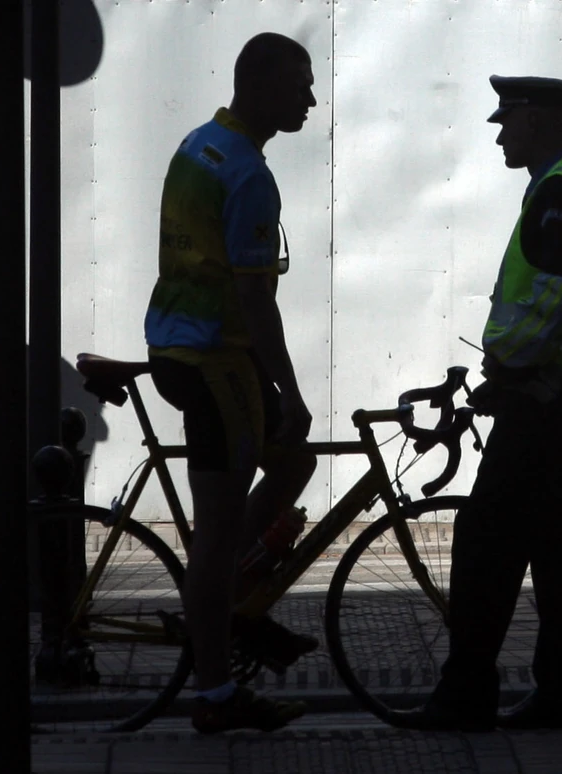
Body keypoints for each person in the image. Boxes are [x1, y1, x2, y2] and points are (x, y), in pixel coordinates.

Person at [399, 75, 562, 732]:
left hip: (547, 396)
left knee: (484, 540)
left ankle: (466, 694)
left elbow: (561, 294)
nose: (500, 132)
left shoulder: (560, 191)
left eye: (508, 120)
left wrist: (510, 361)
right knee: (558, 547)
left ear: (537, 122)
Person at [143, 32, 319, 734]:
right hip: (215, 361)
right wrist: (292, 392)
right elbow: (256, 302)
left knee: (294, 461)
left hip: (178, 345)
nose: (311, 98)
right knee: (214, 539)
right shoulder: (248, 174)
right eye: (300, 84)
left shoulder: (199, 144)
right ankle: (215, 689)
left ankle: (233, 596)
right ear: (260, 86)